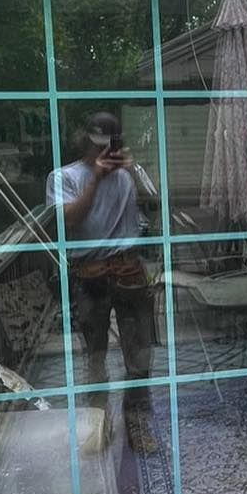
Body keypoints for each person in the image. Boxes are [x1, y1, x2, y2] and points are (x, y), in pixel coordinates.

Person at [45, 111, 161, 453]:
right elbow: (67, 224)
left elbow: (154, 208)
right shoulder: (63, 177)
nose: (103, 151)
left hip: (129, 271)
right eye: (98, 145)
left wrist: (132, 171)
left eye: (109, 145)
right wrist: (95, 178)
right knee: (93, 357)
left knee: (139, 357)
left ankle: (137, 424)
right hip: (89, 275)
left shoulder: (129, 173)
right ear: (84, 140)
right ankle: (97, 425)